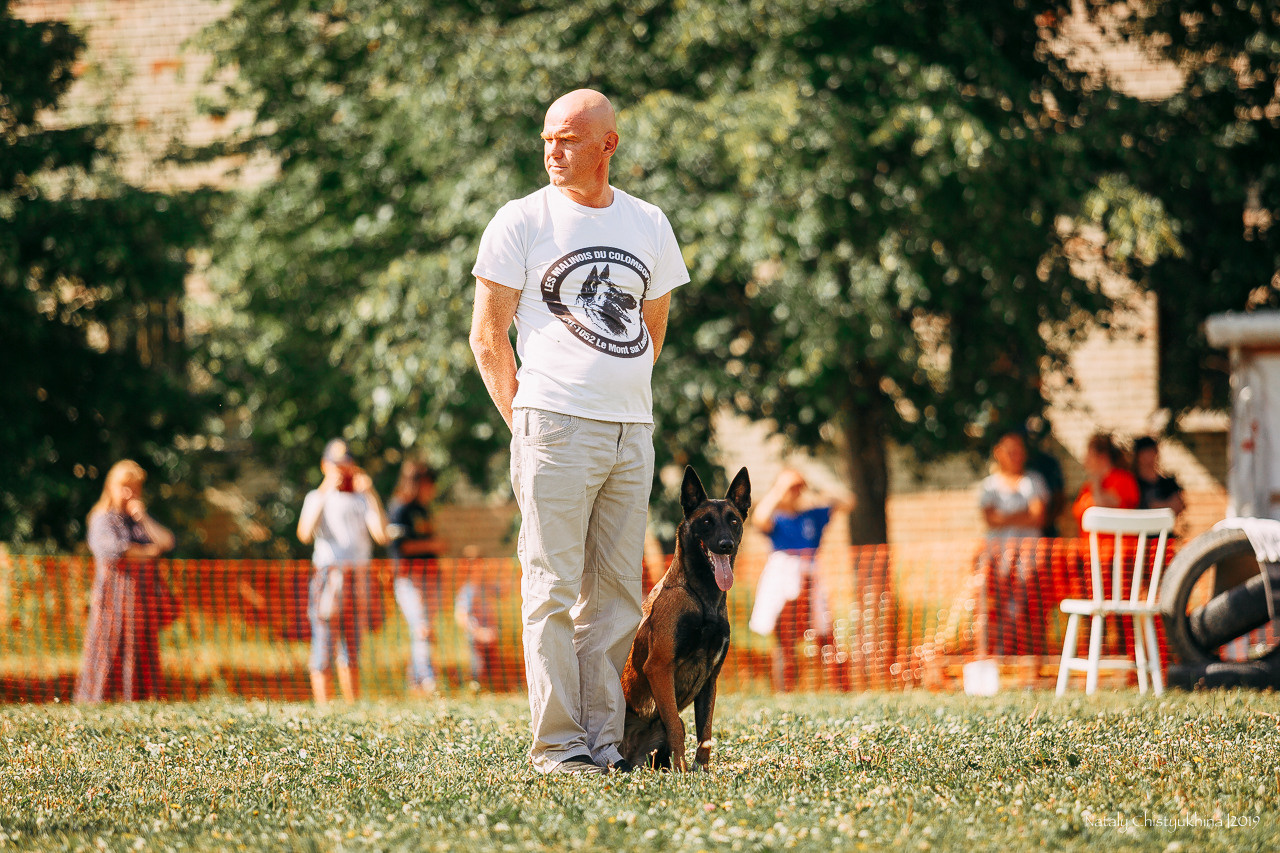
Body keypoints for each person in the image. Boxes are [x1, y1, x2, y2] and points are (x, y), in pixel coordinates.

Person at [469, 88, 689, 775]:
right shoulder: (521, 219)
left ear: (607, 144)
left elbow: (653, 329)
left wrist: (618, 395)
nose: (553, 152)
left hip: (631, 430)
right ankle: (559, 747)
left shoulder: (649, 221)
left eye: (567, 139)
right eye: (546, 139)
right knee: (552, 590)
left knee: (620, 595)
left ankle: (604, 743)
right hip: (553, 427)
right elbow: (487, 336)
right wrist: (527, 419)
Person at [74, 459, 176, 703]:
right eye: (124, 486)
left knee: (141, 656)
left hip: (141, 606)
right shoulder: (101, 518)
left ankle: (139, 702)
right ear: (111, 486)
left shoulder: (137, 521)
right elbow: (114, 551)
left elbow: (167, 542)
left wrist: (143, 519)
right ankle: (97, 703)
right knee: (107, 655)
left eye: (135, 488)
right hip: (112, 605)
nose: (130, 494)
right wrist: (148, 553)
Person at [296, 439, 389, 705]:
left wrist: (371, 494)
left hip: (357, 575)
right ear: (325, 466)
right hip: (329, 574)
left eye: (346, 465)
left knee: (352, 644)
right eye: (337, 465)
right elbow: (304, 533)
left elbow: (381, 535)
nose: (342, 471)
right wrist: (325, 490)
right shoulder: (316, 497)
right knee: (323, 639)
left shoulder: (362, 499)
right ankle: (324, 706)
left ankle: (352, 706)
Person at [748, 469, 854, 692]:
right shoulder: (776, 517)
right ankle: (786, 692)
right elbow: (758, 518)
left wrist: (813, 487)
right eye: (791, 489)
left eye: (797, 488)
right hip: (782, 575)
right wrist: (780, 488)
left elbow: (848, 502)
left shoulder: (813, 514)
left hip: (811, 574)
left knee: (825, 634)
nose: (794, 493)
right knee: (784, 637)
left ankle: (840, 688)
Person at [977, 431, 1050, 655]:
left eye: (1018, 452)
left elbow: (1038, 516)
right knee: (994, 604)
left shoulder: (1034, 481)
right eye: (1009, 452)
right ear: (998, 454)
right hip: (997, 556)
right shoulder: (989, 485)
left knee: (1027, 603)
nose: (1014, 457)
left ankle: (1031, 652)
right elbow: (990, 519)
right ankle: (997, 652)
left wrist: (1004, 517)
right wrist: (1022, 514)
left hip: (1028, 555)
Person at [387, 460, 448, 696]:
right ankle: (427, 680)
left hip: (429, 577)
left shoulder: (423, 510)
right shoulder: (399, 508)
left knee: (424, 628)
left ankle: (416, 682)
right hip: (410, 578)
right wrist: (432, 544)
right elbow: (398, 547)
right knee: (422, 628)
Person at [1071, 432, 1141, 532]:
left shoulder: (1123, 479)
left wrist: (1096, 480)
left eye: (1090, 455)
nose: (1086, 461)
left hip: (1116, 546)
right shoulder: (1087, 487)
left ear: (1103, 457)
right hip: (1090, 545)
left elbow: (1101, 506)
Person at [454, 557, 501, 691]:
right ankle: (475, 689)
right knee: (477, 668)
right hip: (476, 638)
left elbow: (503, 591)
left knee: (492, 668)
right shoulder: (468, 590)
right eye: (479, 566)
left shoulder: (486, 586)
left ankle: (490, 691)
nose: (484, 569)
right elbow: (461, 615)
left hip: (490, 635)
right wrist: (478, 632)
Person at [1132, 436, 1187, 519]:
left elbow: (1178, 507)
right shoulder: (1133, 483)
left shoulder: (1168, 483)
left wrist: (1156, 507)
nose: (1149, 456)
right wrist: (1167, 506)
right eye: (1145, 452)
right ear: (1138, 456)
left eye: (1151, 451)